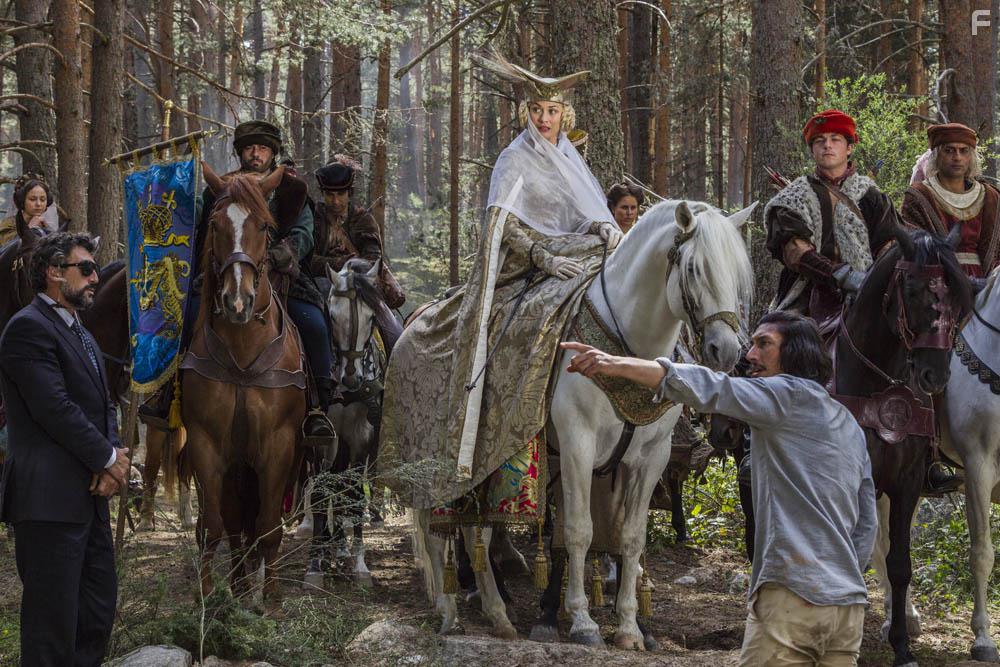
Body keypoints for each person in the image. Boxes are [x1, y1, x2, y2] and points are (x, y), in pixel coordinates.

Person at [561, 309, 877, 667]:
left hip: (792, 600)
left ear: (795, 353)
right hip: (848, 609)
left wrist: (613, 363)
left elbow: (711, 387)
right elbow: (867, 523)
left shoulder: (782, 396)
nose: (750, 355)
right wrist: (842, 576)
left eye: (764, 344)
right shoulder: (848, 423)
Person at [379, 53, 622, 507]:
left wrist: (606, 228)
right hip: (520, 265)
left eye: (552, 111)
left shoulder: (570, 159)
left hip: (574, 255)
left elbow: (583, 214)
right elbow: (503, 222)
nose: (545, 119)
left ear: (563, 114)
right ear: (526, 113)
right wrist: (544, 258)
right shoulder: (514, 159)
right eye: (537, 111)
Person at [140, 119, 335, 439]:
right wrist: (177, 189)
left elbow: (303, 232)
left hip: (280, 276)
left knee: (313, 321)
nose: (255, 153)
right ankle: (169, 392)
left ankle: (317, 406)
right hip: (223, 274)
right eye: (249, 147)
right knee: (186, 316)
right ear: (240, 153)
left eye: (262, 148)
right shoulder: (221, 186)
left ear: (273, 152)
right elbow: (197, 219)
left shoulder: (291, 189)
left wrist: (280, 255)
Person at [0, 232, 131, 667]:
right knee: (51, 627)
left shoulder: (82, 333)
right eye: (86, 268)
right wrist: (108, 459)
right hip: (48, 502)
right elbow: (53, 408)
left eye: (95, 268)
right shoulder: (27, 328)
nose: (95, 276)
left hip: (90, 498)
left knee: (95, 611)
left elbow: (103, 404)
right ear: (55, 273)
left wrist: (111, 456)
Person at [764, 110, 898, 325]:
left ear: (849, 148)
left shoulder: (873, 197)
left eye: (835, 139)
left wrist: (872, 282)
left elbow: (889, 246)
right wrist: (842, 276)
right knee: (769, 345)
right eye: (820, 140)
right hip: (807, 294)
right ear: (812, 150)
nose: (827, 145)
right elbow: (795, 251)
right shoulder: (791, 199)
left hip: (871, 291)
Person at [901, 123, 999, 280]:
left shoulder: (990, 197)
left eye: (964, 151)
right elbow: (913, 247)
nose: (957, 157)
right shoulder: (919, 196)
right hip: (934, 282)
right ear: (937, 155)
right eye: (949, 150)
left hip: (988, 283)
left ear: (971, 156)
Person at [0, 174, 57, 246]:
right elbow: (8, 250)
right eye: (32, 199)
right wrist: (30, 229)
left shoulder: (46, 228)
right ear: (22, 200)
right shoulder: (8, 225)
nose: (38, 204)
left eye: (43, 200)